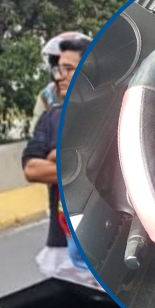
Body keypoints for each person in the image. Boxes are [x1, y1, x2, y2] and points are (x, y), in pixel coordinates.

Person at [22, 34, 100, 293]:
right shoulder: (50, 118)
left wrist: (57, 156)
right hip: (62, 245)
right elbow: (32, 169)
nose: (59, 76)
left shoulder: (114, 115)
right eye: (58, 69)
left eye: (68, 69)